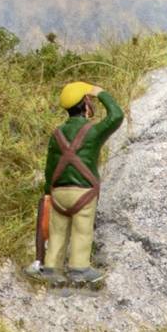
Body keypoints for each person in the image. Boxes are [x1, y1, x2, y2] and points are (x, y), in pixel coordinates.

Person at [33, 80, 125, 287]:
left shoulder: (56, 134)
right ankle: (79, 268)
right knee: (82, 231)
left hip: (58, 192)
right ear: (86, 104)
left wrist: (49, 191)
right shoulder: (93, 131)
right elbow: (116, 115)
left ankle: (52, 267)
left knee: (57, 231)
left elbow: (50, 166)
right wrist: (100, 92)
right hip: (83, 192)